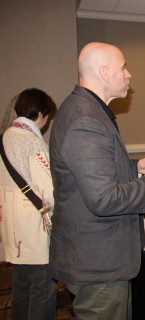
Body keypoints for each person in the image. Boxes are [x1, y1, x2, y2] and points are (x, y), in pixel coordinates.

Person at [48, 42, 145, 319]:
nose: (129, 74)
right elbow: (103, 198)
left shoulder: (87, 109)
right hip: (97, 260)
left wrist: (136, 167)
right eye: (123, 67)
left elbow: (98, 170)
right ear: (104, 72)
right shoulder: (85, 119)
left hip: (98, 255)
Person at [0, 88, 57, 320]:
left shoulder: (5, 136)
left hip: (10, 220)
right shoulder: (33, 143)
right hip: (32, 222)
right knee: (42, 285)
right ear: (41, 114)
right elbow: (50, 192)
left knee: (22, 283)